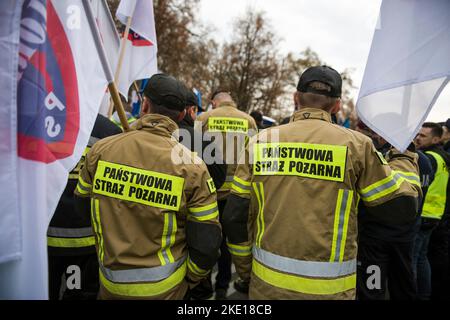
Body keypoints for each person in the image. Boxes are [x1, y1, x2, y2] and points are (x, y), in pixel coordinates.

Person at [222, 65, 421, 300]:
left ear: (295, 98)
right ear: (337, 105)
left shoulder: (260, 142)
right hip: (331, 290)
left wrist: (246, 270)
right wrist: (404, 157)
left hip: (267, 285)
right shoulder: (357, 146)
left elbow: (234, 215)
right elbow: (402, 209)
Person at [74, 74, 222, 300]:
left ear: (144, 105)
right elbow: (207, 241)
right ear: (182, 114)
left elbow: (83, 206)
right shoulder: (193, 167)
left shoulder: (102, 149)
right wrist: (192, 278)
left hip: (109, 281)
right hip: (167, 289)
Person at [47, 114, 122, 300]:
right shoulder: (109, 131)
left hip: (45, 240)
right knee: (76, 292)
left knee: (46, 291)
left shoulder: (41, 121)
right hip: (84, 242)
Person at [196, 90, 258, 299]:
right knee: (228, 243)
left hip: (208, 192)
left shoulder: (204, 119)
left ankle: (202, 284)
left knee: (203, 238)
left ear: (214, 102)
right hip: (236, 195)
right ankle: (222, 286)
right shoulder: (248, 121)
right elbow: (254, 158)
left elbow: (192, 155)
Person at [179, 88, 227, 300]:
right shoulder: (200, 141)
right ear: (190, 110)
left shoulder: (130, 136)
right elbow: (218, 177)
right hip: (194, 222)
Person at [415, 122, 450, 300]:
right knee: (421, 259)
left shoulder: (427, 158)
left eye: (423, 136)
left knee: (414, 260)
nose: (417, 138)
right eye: (417, 134)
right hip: (435, 215)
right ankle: (424, 294)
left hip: (423, 215)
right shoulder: (442, 156)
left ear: (436, 139)